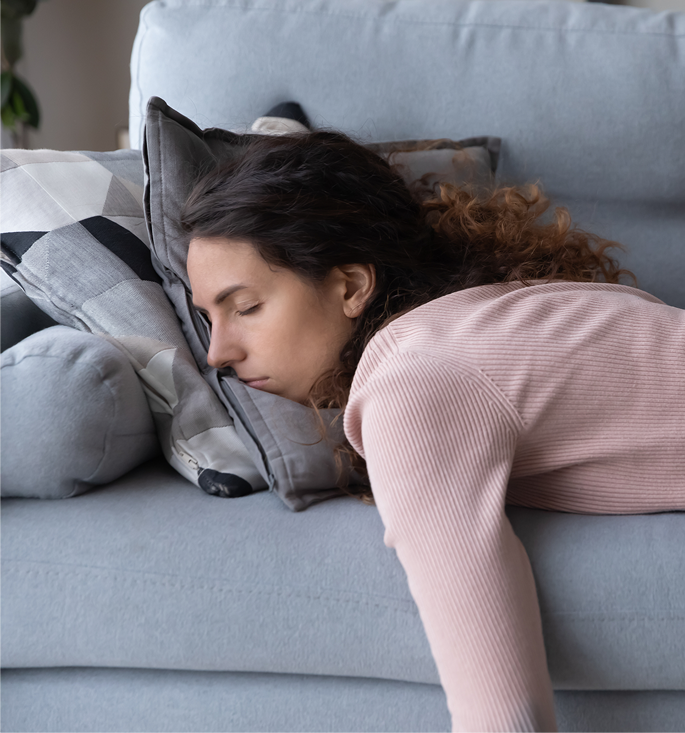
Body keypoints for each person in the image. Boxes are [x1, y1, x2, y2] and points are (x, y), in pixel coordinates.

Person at [180, 128, 685, 733]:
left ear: (350, 286)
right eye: (206, 316)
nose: (216, 354)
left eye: (247, 307)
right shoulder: (481, 321)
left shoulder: (413, 388)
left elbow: (504, 714)